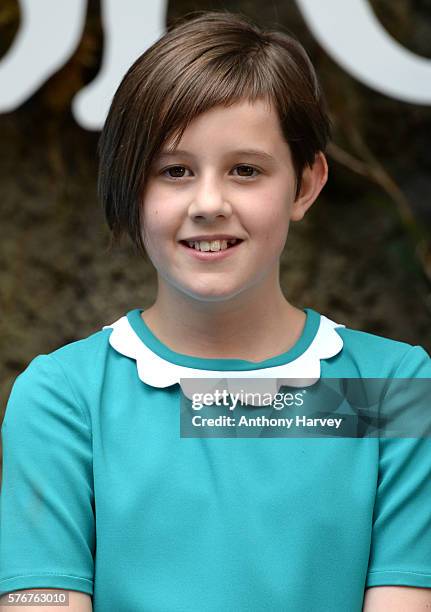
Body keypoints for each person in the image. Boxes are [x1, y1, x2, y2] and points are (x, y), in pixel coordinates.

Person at [1, 10, 430, 612]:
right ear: (132, 185)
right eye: (174, 171)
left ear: (305, 184)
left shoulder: (388, 389)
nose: (208, 203)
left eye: (246, 170)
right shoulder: (66, 397)